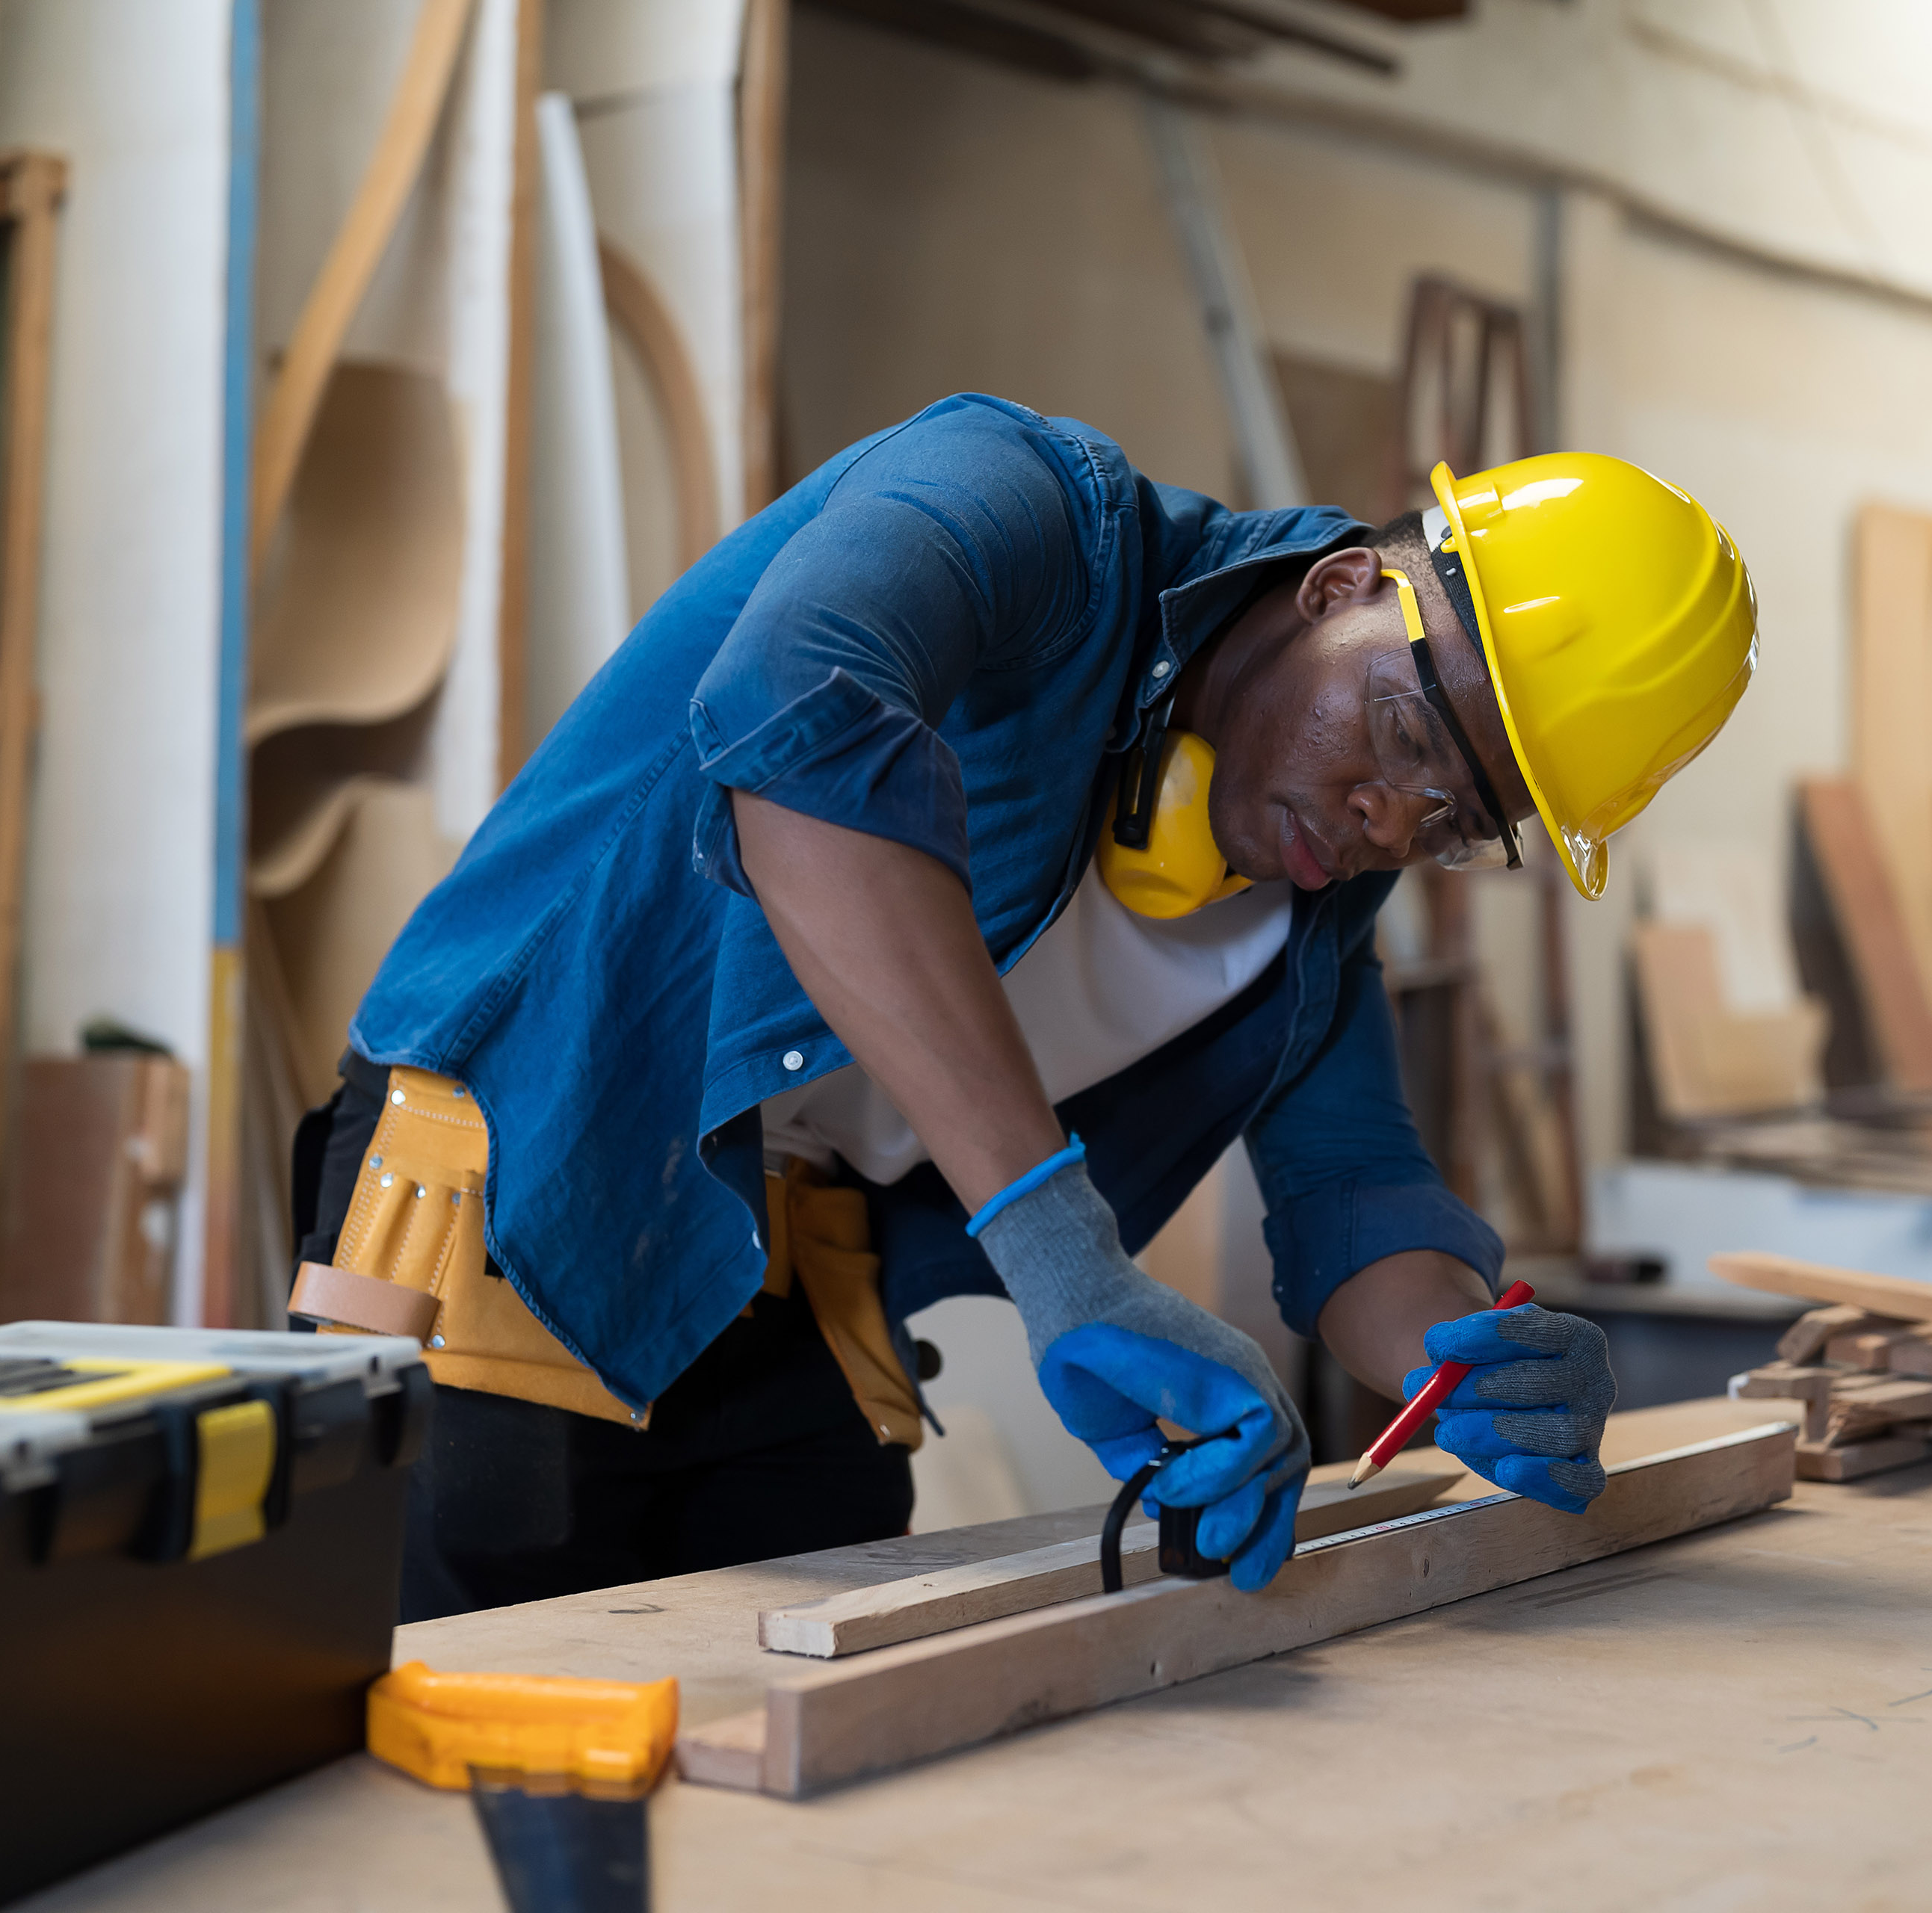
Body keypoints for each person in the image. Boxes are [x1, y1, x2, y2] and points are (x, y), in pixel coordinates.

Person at [288, 394, 1758, 1621]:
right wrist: (1063, 1247)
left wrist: (1469, 1361)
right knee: (464, 1757)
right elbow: (796, 727)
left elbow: (1357, 1188)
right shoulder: (1027, 508)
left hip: (795, 1283)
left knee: (809, 1741)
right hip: (526, 1172)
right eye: (1395, 731)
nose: (1387, 814)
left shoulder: (1311, 901)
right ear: (1340, 586)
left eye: (1458, 815)